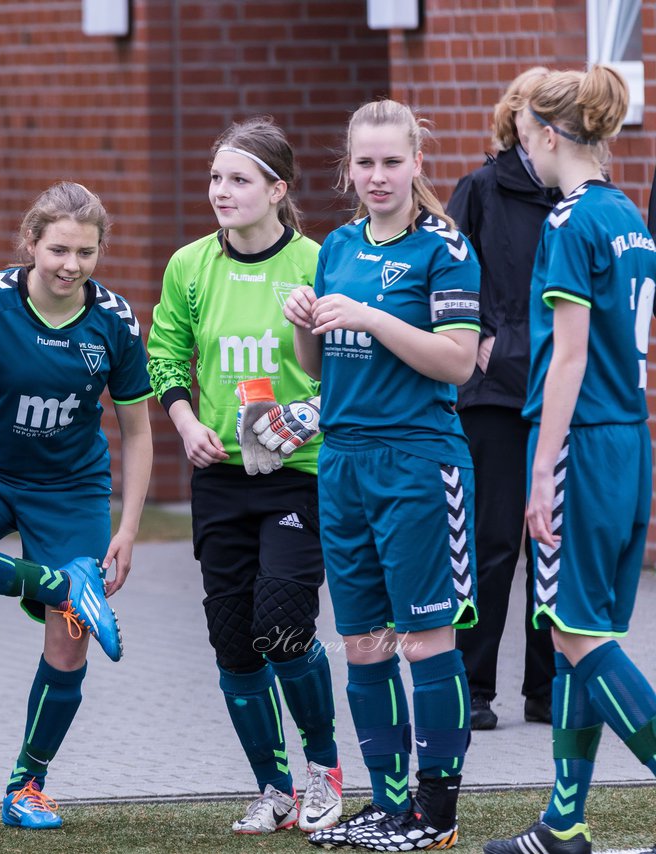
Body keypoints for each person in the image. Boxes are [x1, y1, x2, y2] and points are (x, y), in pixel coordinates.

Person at [0, 181, 152, 829]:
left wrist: (126, 529)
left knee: (70, 646)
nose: (72, 265)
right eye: (59, 250)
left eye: (87, 253)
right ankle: (57, 584)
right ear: (31, 244)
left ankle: (26, 788)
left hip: (70, 491)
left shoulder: (114, 322)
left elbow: (137, 430)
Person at [286, 99, 480, 851]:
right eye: (363, 163)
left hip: (419, 462)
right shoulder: (334, 245)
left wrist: (370, 318)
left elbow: (458, 362)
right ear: (348, 167)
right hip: (342, 461)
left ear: (416, 164)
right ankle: (389, 803)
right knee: (363, 640)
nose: (376, 176)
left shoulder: (445, 249)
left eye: (391, 162)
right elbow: (315, 369)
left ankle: (437, 814)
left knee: (426, 638)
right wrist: (307, 325)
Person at [147, 118, 342, 835]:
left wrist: (307, 414)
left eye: (238, 180)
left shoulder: (320, 262)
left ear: (277, 189)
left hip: (297, 474)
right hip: (222, 478)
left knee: (283, 626)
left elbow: (353, 371)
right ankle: (274, 787)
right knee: (233, 639)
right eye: (215, 179)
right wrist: (186, 423)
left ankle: (323, 769)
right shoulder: (190, 266)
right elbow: (163, 354)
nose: (221, 192)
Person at [485, 65, 656, 854]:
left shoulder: (570, 221)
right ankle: (564, 821)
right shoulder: (629, 216)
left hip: (582, 445)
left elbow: (569, 359)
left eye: (527, 142)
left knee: (579, 637)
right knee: (572, 633)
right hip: (629, 439)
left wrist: (542, 470)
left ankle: (566, 818)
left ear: (550, 136)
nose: (527, 156)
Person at [447, 68, 559, 731]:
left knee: (550, 548)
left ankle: (544, 692)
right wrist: (481, 339)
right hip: (492, 397)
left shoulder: (575, 196)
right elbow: (452, 274)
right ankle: (474, 686)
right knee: (492, 544)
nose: (540, 123)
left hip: (555, 394)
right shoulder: (481, 189)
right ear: (514, 118)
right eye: (531, 110)